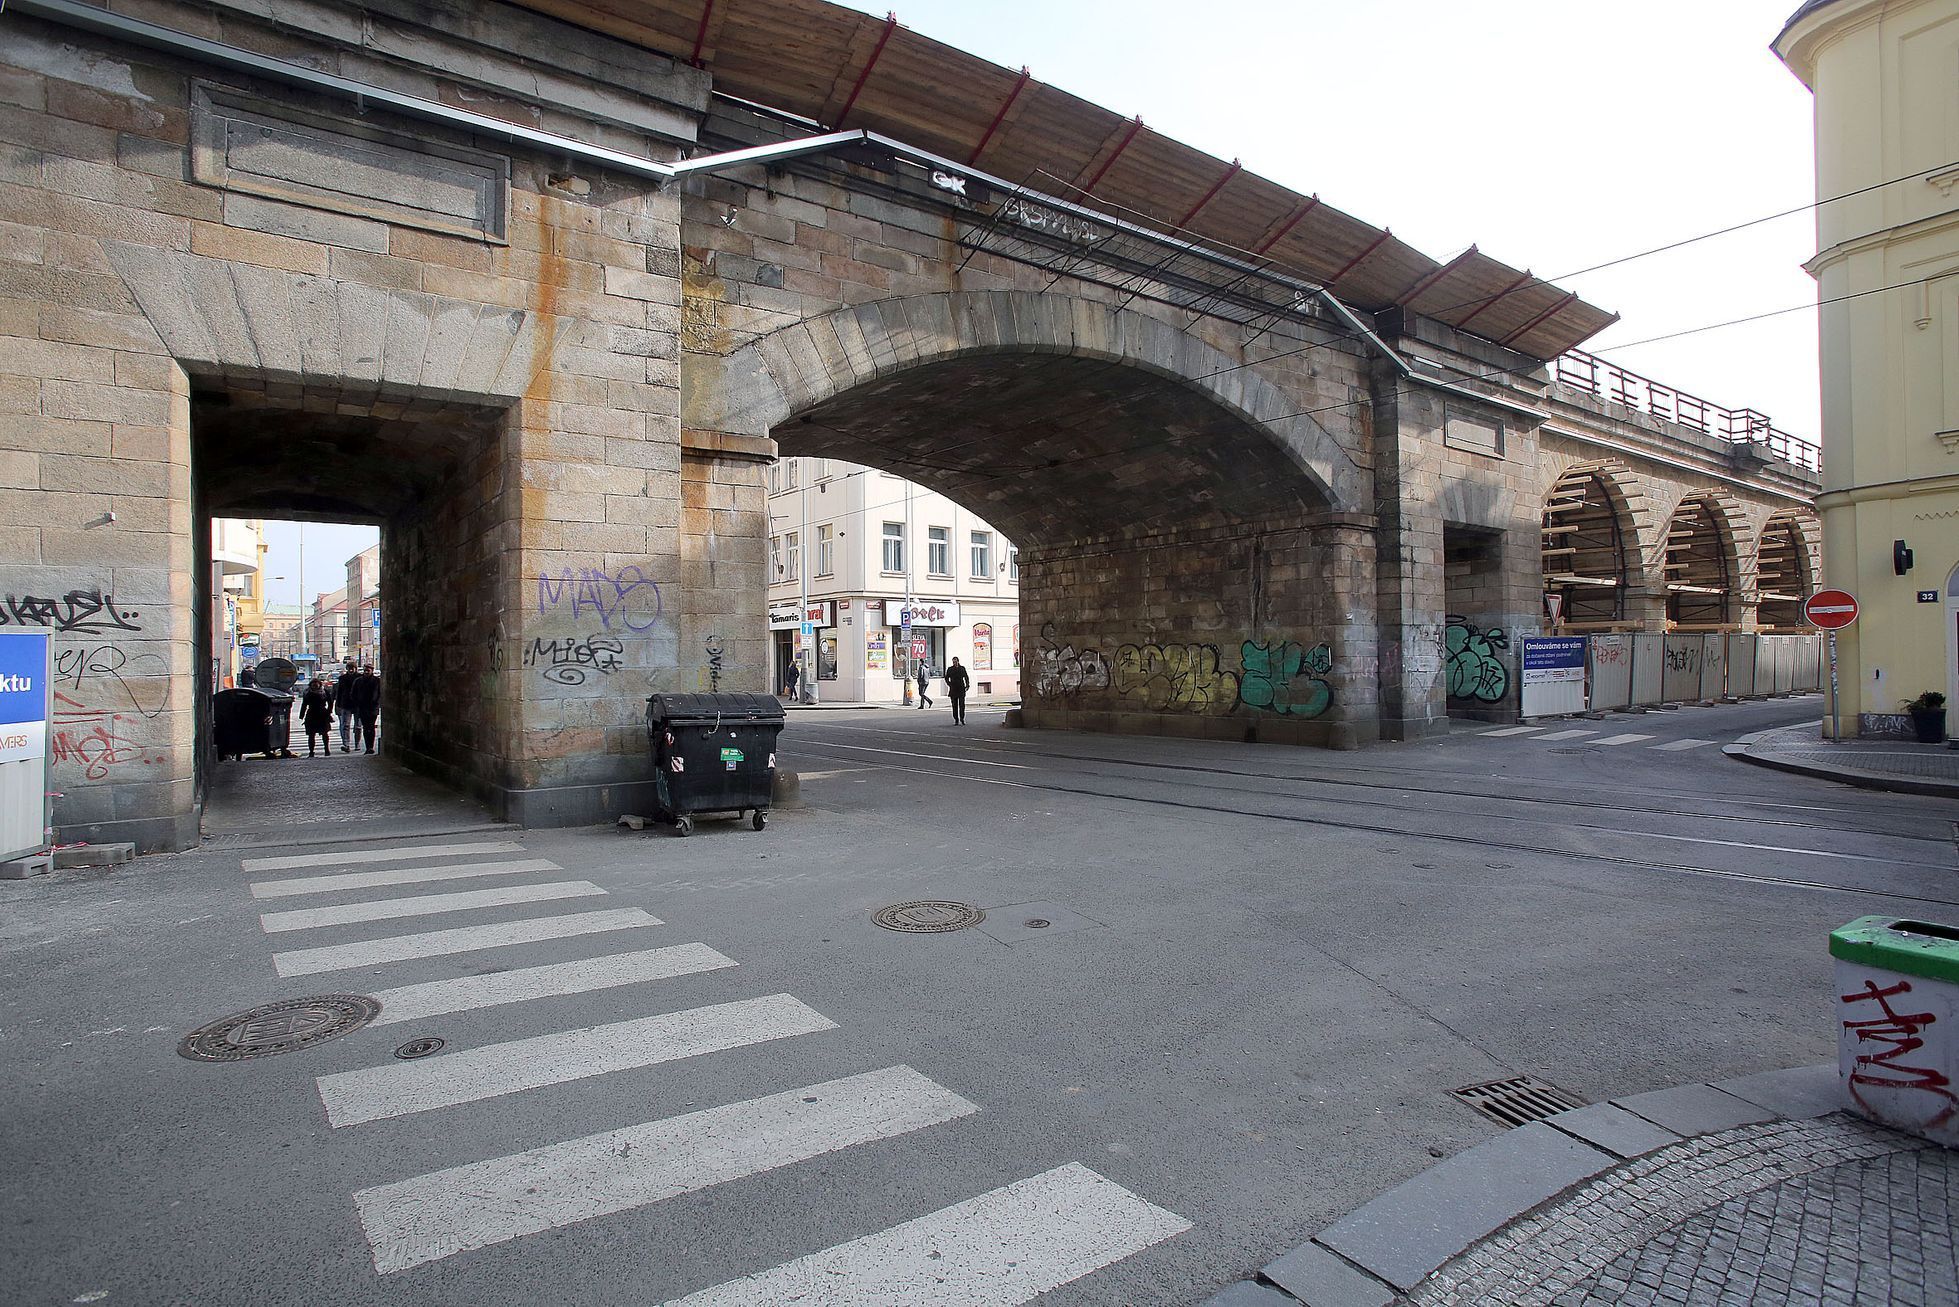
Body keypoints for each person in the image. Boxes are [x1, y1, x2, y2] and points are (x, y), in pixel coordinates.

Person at [349, 662, 381, 753]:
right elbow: (353, 693)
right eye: (365, 670)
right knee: (366, 727)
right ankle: (368, 747)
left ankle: (370, 746)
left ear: (372, 671)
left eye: (368, 670)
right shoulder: (358, 681)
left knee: (371, 726)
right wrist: (357, 703)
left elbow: (379, 693)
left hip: (373, 707)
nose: (366, 672)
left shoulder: (377, 681)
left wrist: (377, 702)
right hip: (362, 707)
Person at [299, 676, 334, 757]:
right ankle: (311, 751)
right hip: (311, 714)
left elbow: (330, 702)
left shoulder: (324, 691)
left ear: (319, 684)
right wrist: (302, 715)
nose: (315, 686)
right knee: (311, 735)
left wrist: (328, 712)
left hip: (322, 714)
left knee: (325, 734)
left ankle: (327, 750)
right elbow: (304, 704)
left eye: (316, 684)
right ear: (310, 685)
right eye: (313, 684)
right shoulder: (307, 692)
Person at [334, 657, 358, 752]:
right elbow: (339, 692)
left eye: (352, 668)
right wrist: (339, 704)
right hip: (346, 704)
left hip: (357, 704)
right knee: (346, 725)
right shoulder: (343, 678)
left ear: (355, 668)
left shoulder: (359, 678)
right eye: (349, 668)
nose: (351, 670)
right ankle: (346, 744)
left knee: (358, 726)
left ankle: (357, 744)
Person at [944, 656, 970, 725]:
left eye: (955, 662)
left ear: (958, 661)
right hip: (953, 689)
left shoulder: (962, 668)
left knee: (962, 705)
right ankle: (956, 719)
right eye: (953, 662)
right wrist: (949, 684)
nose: (954, 663)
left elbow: (966, 677)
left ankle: (962, 718)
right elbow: (946, 678)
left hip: (961, 688)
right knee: (954, 705)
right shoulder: (950, 669)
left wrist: (967, 685)